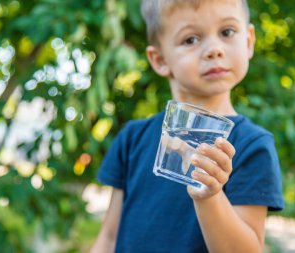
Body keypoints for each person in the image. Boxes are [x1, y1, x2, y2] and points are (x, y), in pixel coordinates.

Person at [90, 0, 284, 252]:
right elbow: (108, 237)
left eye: (227, 32)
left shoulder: (252, 146)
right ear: (159, 60)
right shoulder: (132, 138)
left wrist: (210, 197)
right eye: (191, 39)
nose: (214, 49)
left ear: (248, 41)